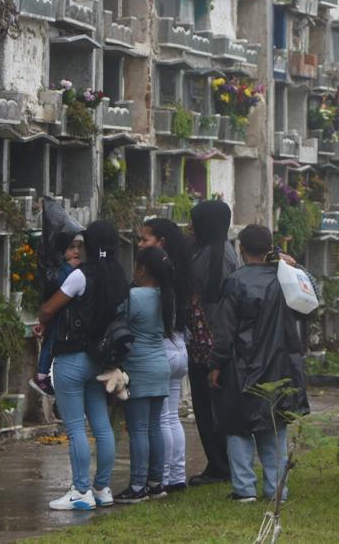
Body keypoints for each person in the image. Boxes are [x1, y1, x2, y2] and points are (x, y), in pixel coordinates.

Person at [208, 225, 309, 503]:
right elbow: (310, 301)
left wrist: (215, 364)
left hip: (242, 366)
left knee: (237, 426)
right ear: (271, 248)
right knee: (275, 427)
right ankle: (277, 489)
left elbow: (225, 330)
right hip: (281, 363)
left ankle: (244, 489)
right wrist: (293, 265)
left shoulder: (235, 281)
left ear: (241, 249)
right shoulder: (284, 278)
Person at [37, 221, 130, 511]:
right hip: (101, 361)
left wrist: (42, 321)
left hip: (72, 358)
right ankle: (102, 488)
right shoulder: (119, 276)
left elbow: (49, 308)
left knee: (76, 426)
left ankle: (80, 491)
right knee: (101, 425)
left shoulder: (81, 275)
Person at [115, 246, 174, 503]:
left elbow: (118, 321)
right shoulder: (166, 296)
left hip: (138, 367)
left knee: (138, 429)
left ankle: (137, 485)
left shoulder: (135, 296)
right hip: (161, 366)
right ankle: (155, 483)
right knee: (154, 427)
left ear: (141, 270)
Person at [138, 219, 193, 493]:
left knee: (161, 419)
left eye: (145, 239)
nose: (140, 245)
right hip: (180, 345)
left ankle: (162, 476)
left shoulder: (157, 276)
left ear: (161, 243)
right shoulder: (182, 271)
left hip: (161, 349)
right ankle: (177, 475)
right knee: (172, 417)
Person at [187, 200, 239, 486]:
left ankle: (220, 466)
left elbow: (216, 305)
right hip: (210, 340)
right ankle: (219, 463)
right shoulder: (216, 249)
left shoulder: (217, 256)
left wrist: (216, 354)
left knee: (210, 408)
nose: (191, 227)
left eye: (195, 222)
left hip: (210, 342)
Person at [30, 236, 83, 397]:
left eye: (78, 247)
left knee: (51, 343)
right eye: (71, 248)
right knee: (50, 343)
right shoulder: (60, 268)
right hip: (57, 312)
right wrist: (68, 268)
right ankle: (41, 375)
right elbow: (57, 281)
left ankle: (46, 375)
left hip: (62, 313)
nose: (76, 251)